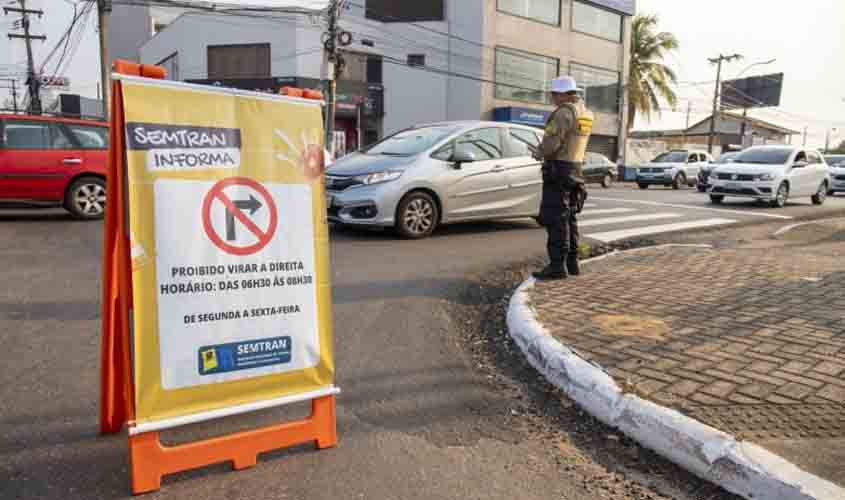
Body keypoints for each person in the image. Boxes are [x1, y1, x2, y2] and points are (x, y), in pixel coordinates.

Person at [533, 76, 594, 280]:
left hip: (558, 169)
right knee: (570, 216)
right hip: (575, 168)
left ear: (563, 94)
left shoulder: (563, 113)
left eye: (554, 94)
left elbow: (551, 143)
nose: (552, 98)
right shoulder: (585, 112)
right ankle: (572, 262)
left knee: (555, 218)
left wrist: (539, 152)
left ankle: (557, 266)